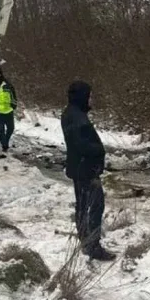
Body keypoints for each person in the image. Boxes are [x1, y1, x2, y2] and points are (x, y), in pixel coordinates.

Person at [61, 80, 115, 261]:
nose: (92, 99)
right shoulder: (76, 117)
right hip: (85, 169)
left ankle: (87, 241)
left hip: (82, 168)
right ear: (82, 97)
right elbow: (81, 144)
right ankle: (92, 245)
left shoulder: (74, 114)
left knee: (85, 205)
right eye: (90, 96)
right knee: (93, 205)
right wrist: (99, 151)